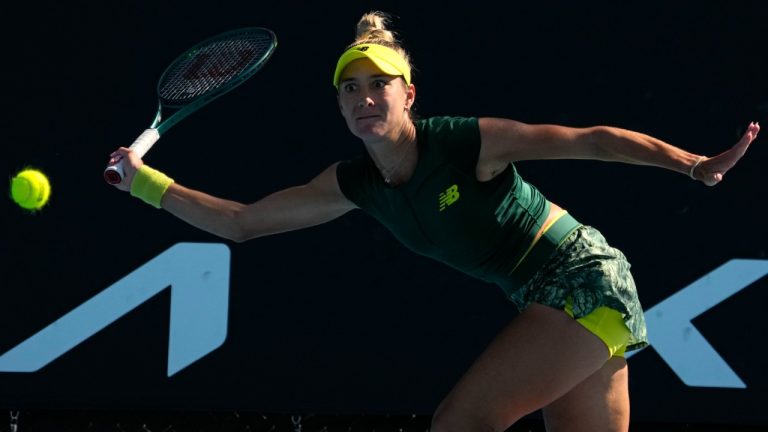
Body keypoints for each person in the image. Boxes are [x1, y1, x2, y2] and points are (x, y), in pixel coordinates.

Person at [108, 11, 760, 432]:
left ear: (407, 94)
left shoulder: (462, 143)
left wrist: (693, 164)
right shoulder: (354, 184)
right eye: (350, 88)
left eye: (378, 85)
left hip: (584, 279)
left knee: (460, 424)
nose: (365, 97)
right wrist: (146, 185)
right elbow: (243, 223)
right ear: (337, 104)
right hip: (567, 298)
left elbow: (588, 140)